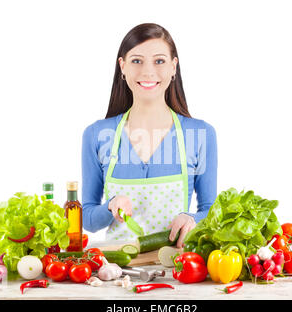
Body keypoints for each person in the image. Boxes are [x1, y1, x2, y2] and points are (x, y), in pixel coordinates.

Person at [82, 23, 217, 248]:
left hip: (177, 270)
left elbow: (212, 213)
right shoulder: (96, 134)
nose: (147, 71)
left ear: (174, 67)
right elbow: (87, 219)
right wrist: (110, 206)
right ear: (122, 67)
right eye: (136, 61)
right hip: (116, 270)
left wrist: (193, 218)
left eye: (159, 61)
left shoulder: (201, 134)